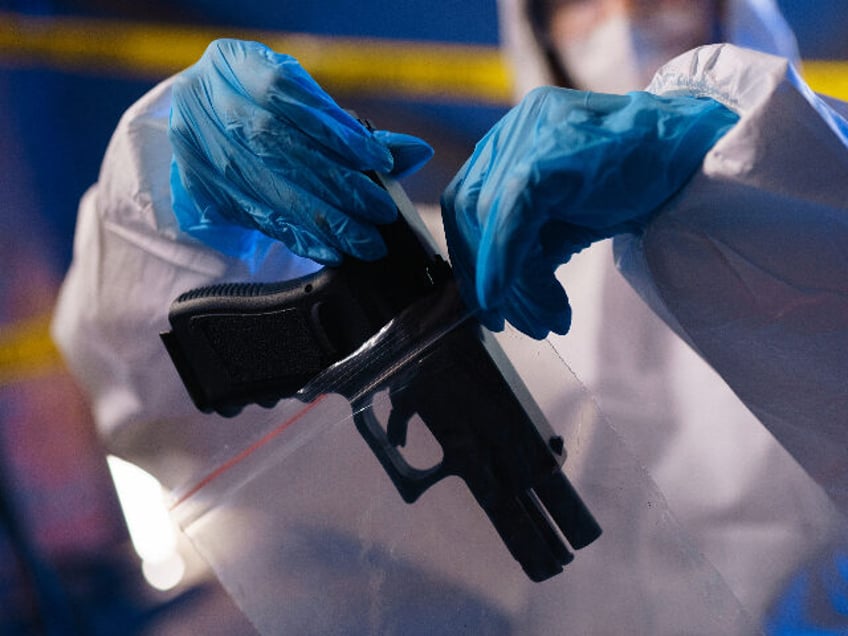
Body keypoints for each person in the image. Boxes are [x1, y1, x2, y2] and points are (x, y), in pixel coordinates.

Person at [51, 1, 848, 632]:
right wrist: (161, 192)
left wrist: (742, 161)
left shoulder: (815, 187)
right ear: (533, 29)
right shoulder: (465, 244)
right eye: (577, 1)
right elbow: (147, 388)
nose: (627, 10)